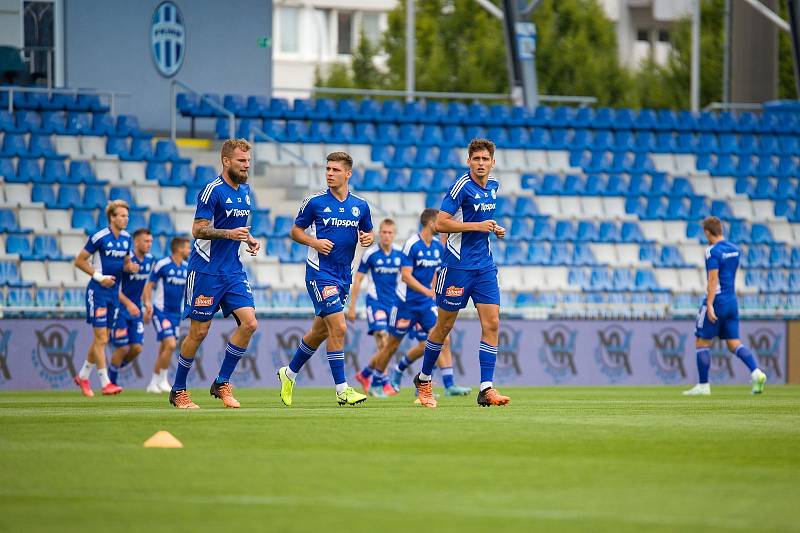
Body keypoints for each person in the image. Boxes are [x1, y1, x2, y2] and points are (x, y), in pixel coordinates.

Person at [413, 139, 510, 408]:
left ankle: (486, 388)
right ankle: (423, 379)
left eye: (485, 159)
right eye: (476, 159)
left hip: (485, 267)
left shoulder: (493, 187)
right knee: (444, 327)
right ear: (468, 161)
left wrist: (493, 228)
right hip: (456, 266)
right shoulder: (460, 187)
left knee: (492, 324)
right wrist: (478, 226)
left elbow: (480, 223)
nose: (480, 163)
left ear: (493, 162)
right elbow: (441, 223)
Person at [277, 151, 374, 407]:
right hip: (319, 273)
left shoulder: (360, 205)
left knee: (319, 331)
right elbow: (295, 231)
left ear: (348, 174)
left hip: (343, 275)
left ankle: (289, 373)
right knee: (339, 328)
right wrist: (314, 242)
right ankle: (342, 389)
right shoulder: (315, 202)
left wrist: (368, 238)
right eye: (328, 169)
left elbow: (368, 232)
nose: (329, 173)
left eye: (335, 170)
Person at [169, 139, 260, 409]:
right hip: (206, 270)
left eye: (248, 160)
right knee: (199, 332)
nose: (247, 165)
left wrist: (248, 238)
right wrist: (230, 234)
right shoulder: (212, 191)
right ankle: (178, 390)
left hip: (232, 270)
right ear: (226, 161)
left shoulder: (244, 191)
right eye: (242, 161)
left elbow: (236, 226)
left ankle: (221, 382)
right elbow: (198, 230)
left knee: (250, 323)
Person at [365, 209, 472, 399]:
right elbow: (406, 276)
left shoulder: (438, 248)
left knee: (442, 338)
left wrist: (434, 294)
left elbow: (435, 274)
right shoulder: (412, 245)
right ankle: (375, 382)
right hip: (405, 303)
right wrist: (428, 291)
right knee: (392, 345)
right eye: (438, 221)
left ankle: (449, 384)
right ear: (431, 223)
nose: (441, 224)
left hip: (425, 304)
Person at [684, 216, 767, 396]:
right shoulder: (735, 250)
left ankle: (703, 386)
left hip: (718, 300)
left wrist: (710, 304)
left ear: (707, 232)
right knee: (733, 343)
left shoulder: (712, 251)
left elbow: (713, 278)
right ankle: (756, 372)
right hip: (732, 301)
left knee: (701, 341)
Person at [73, 199, 140, 396]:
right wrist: (99, 277)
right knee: (101, 338)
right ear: (112, 217)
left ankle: (83, 376)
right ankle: (105, 382)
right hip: (98, 292)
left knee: (102, 339)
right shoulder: (100, 237)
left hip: (114, 293)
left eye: (127, 215)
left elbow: (126, 263)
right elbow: (79, 261)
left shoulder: (127, 239)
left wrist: (130, 267)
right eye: (122, 215)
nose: (125, 219)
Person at [349, 218, 404, 396]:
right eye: (384, 232)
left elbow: (407, 278)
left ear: (394, 235)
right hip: (375, 302)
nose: (386, 236)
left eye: (390, 233)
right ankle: (384, 382)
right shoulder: (370, 254)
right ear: (379, 233)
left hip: (394, 304)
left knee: (389, 346)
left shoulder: (400, 254)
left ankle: (366, 374)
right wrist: (351, 307)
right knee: (383, 338)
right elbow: (358, 279)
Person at [142, 236, 190, 393]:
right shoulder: (163, 264)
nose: (189, 251)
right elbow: (149, 285)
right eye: (187, 248)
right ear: (179, 249)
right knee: (170, 344)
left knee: (165, 348)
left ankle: (153, 384)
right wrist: (148, 304)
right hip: (161, 311)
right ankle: (162, 380)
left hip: (176, 313)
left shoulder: (186, 267)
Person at [108, 228, 155, 386]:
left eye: (151, 241)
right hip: (120, 309)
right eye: (146, 241)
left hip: (135, 311)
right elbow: (115, 287)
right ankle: (111, 384)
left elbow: (144, 286)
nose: (149, 244)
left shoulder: (149, 260)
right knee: (122, 348)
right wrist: (128, 304)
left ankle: (112, 370)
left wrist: (147, 303)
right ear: (136, 242)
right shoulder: (126, 260)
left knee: (136, 348)